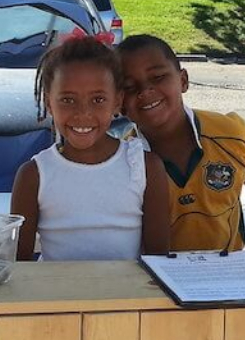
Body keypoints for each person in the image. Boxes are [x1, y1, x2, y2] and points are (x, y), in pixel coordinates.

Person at [118, 35, 245, 253]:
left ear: (183, 80)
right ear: (119, 103)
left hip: (227, 277)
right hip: (153, 280)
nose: (145, 91)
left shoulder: (233, 133)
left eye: (158, 77)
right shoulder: (119, 159)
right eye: (129, 86)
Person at [11, 35, 170, 261]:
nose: (83, 113)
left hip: (128, 296)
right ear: (49, 103)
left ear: (117, 101)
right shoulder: (33, 176)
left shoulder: (146, 168)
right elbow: (19, 268)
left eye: (97, 100)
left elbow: (158, 262)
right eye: (67, 100)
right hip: (55, 296)